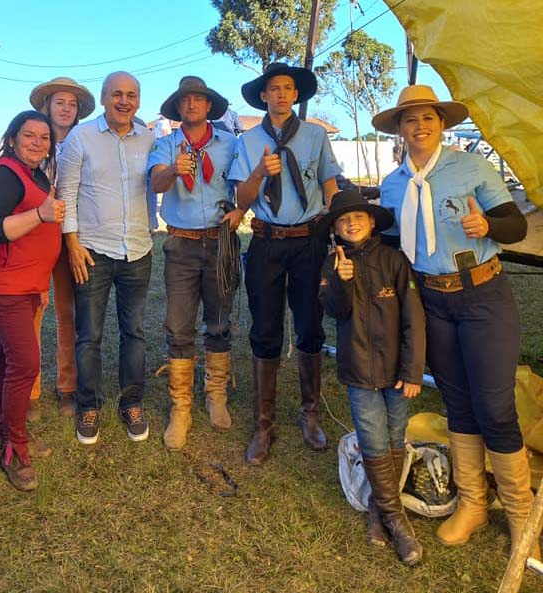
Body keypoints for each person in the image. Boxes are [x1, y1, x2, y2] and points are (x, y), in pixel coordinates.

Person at [373, 85, 539, 560]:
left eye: (428, 118)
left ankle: (522, 516)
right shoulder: (393, 184)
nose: (419, 126)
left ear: (441, 124)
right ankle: (472, 504)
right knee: (458, 402)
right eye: (409, 120)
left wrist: (487, 226)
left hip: (482, 294)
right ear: (400, 130)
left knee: (495, 406)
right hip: (431, 300)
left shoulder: (472, 168)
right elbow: (389, 244)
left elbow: (516, 225)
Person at [228, 62, 341, 465]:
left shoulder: (315, 136)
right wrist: (261, 171)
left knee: (310, 325)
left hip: (309, 240)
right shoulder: (247, 141)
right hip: (267, 242)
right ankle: (264, 425)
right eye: (273, 88)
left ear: (296, 95)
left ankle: (310, 414)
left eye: (287, 88)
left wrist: (337, 228)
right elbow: (242, 199)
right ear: (263, 96)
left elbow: (329, 184)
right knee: (265, 329)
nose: (280, 94)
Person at [318, 190, 426, 565]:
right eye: (343, 220)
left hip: (398, 372)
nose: (351, 224)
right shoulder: (332, 263)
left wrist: (413, 370)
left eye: (358, 218)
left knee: (394, 438)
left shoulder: (394, 261)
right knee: (373, 439)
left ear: (372, 222)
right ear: (335, 228)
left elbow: (414, 318)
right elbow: (335, 310)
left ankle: (380, 511)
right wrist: (341, 280)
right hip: (359, 371)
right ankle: (397, 520)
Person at [58, 71, 157, 445]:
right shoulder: (81, 137)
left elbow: (151, 189)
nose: (124, 101)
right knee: (90, 335)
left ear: (139, 100)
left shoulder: (149, 139)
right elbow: (67, 191)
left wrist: (150, 229)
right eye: (117, 93)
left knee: (134, 333)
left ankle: (132, 403)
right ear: (103, 98)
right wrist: (72, 243)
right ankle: (89, 405)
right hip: (92, 253)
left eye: (131, 95)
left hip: (138, 251)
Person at [0, 110, 65, 491]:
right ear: (12, 139)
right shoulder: (4, 175)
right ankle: (15, 447)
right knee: (26, 363)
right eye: (29, 135)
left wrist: (40, 281)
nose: (37, 143)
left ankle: (8, 433)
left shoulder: (33, 174)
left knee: (8, 357)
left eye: (44, 137)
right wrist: (41, 214)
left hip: (26, 283)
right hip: (4, 283)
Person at [148, 76, 239, 450]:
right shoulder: (165, 145)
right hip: (181, 245)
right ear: (178, 107)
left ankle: (216, 395)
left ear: (208, 106)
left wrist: (241, 209)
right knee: (179, 327)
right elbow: (156, 183)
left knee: (218, 322)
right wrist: (174, 169)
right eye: (185, 100)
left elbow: (244, 183)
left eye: (198, 99)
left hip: (219, 242)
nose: (191, 104)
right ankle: (181, 408)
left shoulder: (230, 144)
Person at [28, 77, 95, 420]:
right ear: (48, 106)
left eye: (72, 104)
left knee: (68, 313)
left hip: (72, 235)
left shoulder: (86, 141)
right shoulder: (33, 140)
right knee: (34, 310)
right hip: (36, 234)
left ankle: (67, 385)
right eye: (60, 102)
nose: (66, 109)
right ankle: (30, 388)